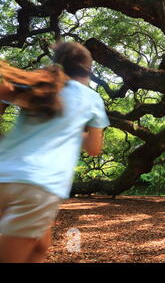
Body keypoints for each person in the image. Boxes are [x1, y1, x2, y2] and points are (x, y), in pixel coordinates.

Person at [0, 42, 110, 263]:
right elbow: (94, 148)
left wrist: (66, 131)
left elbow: (4, 92)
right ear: (88, 71)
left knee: (41, 246)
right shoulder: (91, 99)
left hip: (4, 173)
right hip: (39, 186)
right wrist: (73, 132)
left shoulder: (42, 85)